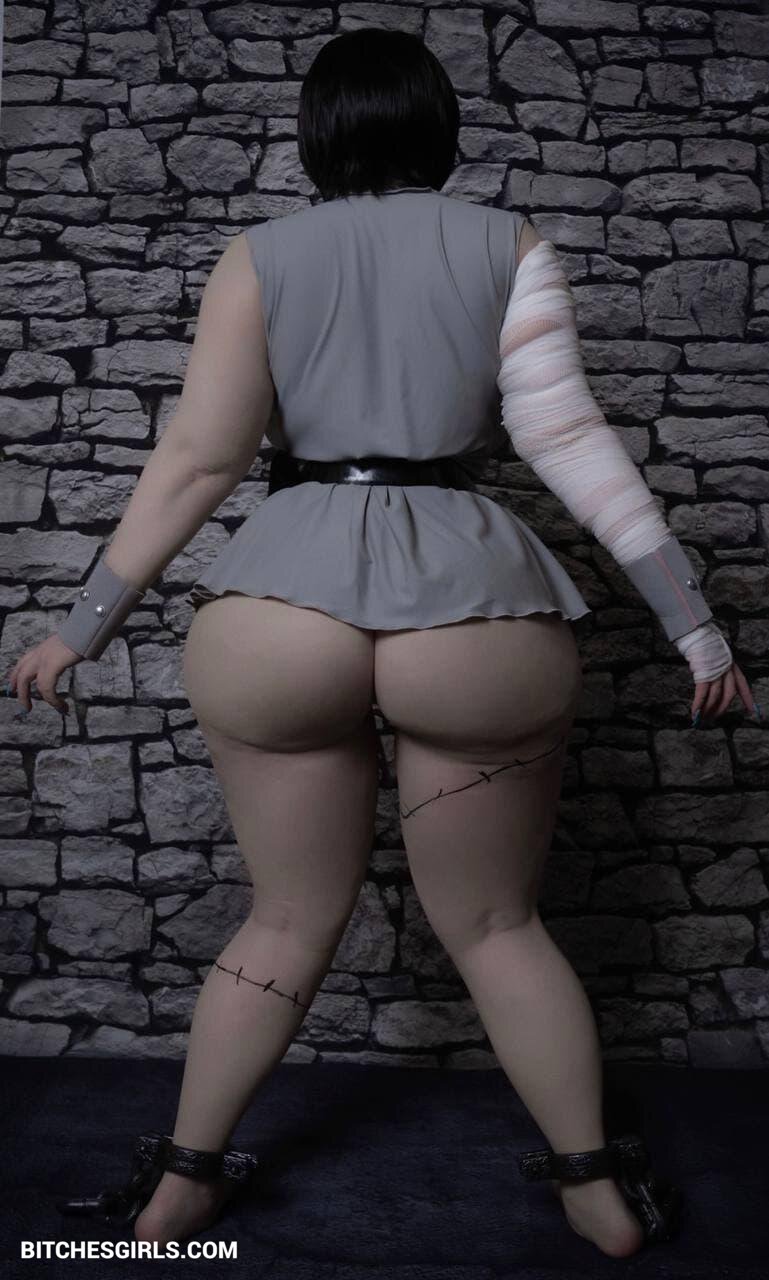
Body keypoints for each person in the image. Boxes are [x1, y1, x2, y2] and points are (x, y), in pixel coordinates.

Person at [5, 25, 759, 1262]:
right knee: (499, 925)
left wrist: (79, 628)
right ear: (439, 129)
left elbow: (197, 459)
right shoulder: (509, 244)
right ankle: (595, 1190)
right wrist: (693, 623)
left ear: (317, 134)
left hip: (277, 616)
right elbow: (571, 443)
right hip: (475, 615)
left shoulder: (260, 256)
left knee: (284, 918)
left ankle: (180, 1185)